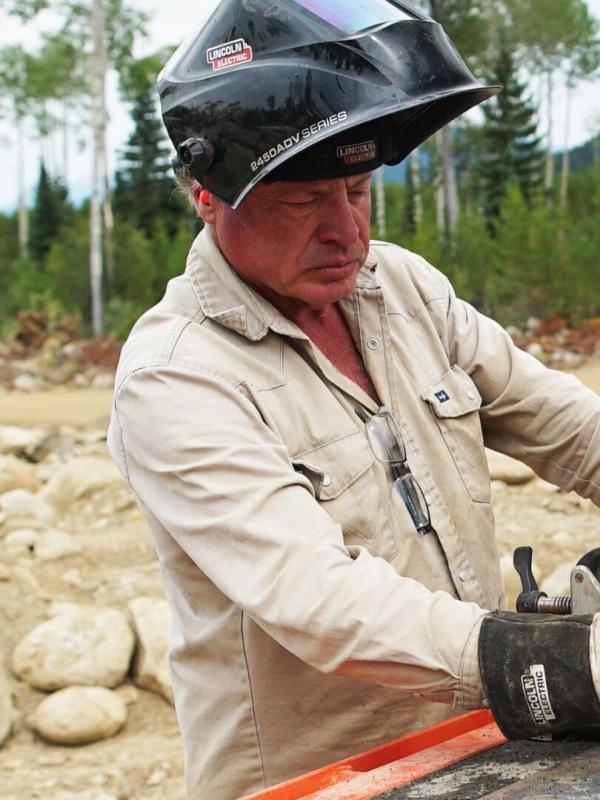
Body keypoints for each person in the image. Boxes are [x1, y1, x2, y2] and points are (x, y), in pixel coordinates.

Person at [107, 1, 600, 798]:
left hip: (479, 754)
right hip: (319, 781)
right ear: (210, 195)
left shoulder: (401, 289)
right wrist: (552, 661)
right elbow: (316, 595)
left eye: (360, 190)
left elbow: (570, 426)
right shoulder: (175, 377)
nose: (347, 233)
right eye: (306, 203)